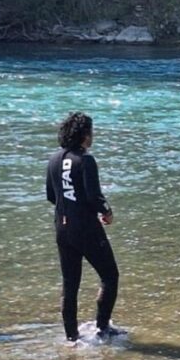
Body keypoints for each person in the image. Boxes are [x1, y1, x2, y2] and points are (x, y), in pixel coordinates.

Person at [45, 112, 124, 341]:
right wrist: (106, 212)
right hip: (86, 229)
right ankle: (102, 328)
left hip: (62, 228)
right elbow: (93, 196)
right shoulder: (86, 160)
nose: (93, 136)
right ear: (83, 134)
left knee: (70, 284)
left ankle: (71, 338)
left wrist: (70, 207)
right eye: (91, 131)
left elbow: (52, 196)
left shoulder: (54, 159)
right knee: (110, 276)